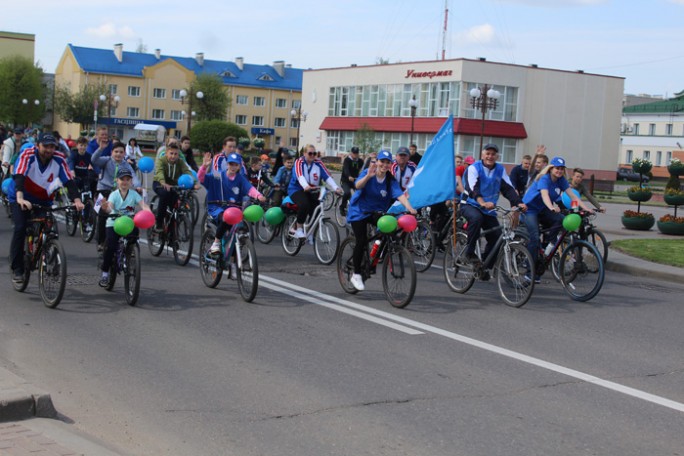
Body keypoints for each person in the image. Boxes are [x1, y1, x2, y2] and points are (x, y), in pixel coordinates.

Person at [8, 134, 84, 283]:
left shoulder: (59, 159)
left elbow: (68, 181)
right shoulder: (28, 154)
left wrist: (77, 200)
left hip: (43, 199)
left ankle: (52, 258)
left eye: (52, 146)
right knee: (20, 227)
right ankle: (17, 268)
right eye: (45, 146)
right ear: (38, 145)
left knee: (50, 228)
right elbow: (20, 176)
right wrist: (20, 198)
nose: (49, 150)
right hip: (21, 195)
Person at [346, 150, 417, 291]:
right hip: (359, 211)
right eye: (382, 161)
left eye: (387, 162)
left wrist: (410, 208)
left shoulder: (390, 180)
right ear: (377, 161)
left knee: (390, 228)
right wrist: (367, 177)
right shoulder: (369, 172)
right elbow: (357, 186)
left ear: (391, 164)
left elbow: (400, 195)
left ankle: (376, 254)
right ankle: (356, 274)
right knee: (361, 240)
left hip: (376, 212)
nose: (384, 165)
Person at [522, 157, 594, 282]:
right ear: (551, 168)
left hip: (543, 209)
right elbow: (544, 195)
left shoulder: (561, 181)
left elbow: (572, 196)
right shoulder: (544, 179)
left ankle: (548, 246)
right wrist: (551, 207)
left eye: (561, 169)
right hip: (530, 209)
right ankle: (530, 272)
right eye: (557, 168)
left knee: (561, 220)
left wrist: (586, 208)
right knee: (534, 236)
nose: (559, 171)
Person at [462, 143, 526, 270]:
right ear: (482, 155)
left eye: (493, 154)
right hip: (470, 204)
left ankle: (484, 266)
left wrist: (518, 203)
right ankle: (469, 253)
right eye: (488, 153)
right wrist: (482, 202)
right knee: (477, 219)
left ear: (497, 156)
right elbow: (472, 188)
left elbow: (508, 188)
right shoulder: (474, 168)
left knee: (497, 237)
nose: (490, 156)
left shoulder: (500, 170)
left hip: (489, 209)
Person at [197, 152, 266, 256]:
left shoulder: (240, 178)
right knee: (226, 218)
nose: (233, 167)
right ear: (227, 164)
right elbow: (202, 179)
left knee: (237, 232)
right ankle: (216, 242)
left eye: (236, 165)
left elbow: (249, 188)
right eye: (231, 164)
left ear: (239, 166)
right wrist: (204, 167)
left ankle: (233, 264)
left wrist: (258, 196)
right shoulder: (218, 175)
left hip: (234, 209)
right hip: (217, 207)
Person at [98, 168, 150, 287]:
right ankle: (105, 273)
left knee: (134, 234)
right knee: (111, 247)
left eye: (128, 179)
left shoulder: (134, 194)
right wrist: (105, 207)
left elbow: (143, 205)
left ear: (131, 182)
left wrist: (149, 213)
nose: (125, 182)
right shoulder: (114, 194)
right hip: (114, 223)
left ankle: (131, 254)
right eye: (122, 179)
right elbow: (110, 207)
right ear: (117, 181)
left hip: (128, 223)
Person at [92, 141, 140, 250]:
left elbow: (133, 176)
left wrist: (137, 186)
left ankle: (124, 236)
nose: (118, 154)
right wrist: (100, 148)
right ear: (112, 152)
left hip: (118, 191)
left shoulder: (126, 164)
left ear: (124, 154)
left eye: (121, 152)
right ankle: (101, 241)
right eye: (116, 152)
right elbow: (94, 160)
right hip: (103, 189)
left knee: (125, 211)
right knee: (102, 214)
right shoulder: (106, 160)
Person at [287, 144, 342, 238]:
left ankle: (309, 231)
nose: (312, 155)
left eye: (314, 153)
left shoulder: (318, 163)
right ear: (304, 153)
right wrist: (306, 186)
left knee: (317, 210)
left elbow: (327, 176)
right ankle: (298, 228)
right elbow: (300, 176)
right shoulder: (299, 162)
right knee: (304, 204)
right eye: (310, 153)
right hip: (297, 189)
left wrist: (336, 188)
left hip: (312, 190)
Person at [153, 142, 193, 229]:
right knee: (165, 195)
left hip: (173, 185)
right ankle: (159, 222)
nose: (173, 156)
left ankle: (172, 237)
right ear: (166, 153)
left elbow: (187, 172)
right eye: (171, 153)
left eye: (176, 154)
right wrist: (163, 182)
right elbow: (159, 172)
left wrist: (193, 182)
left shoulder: (180, 162)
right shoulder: (161, 160)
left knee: (174, 206)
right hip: (159, 183)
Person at [339, 146, 364, 215]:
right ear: (351, 153)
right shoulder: (347, 160)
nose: (355, 155)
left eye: (356, 153)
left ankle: (359, 207)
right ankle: (342, 207)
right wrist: (349, 176)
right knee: (347, 193)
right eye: (354, 153)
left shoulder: (360, 161)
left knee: (361, 192)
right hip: (345, 181)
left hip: (355, 181)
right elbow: (346, 169)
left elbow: (364, 168)